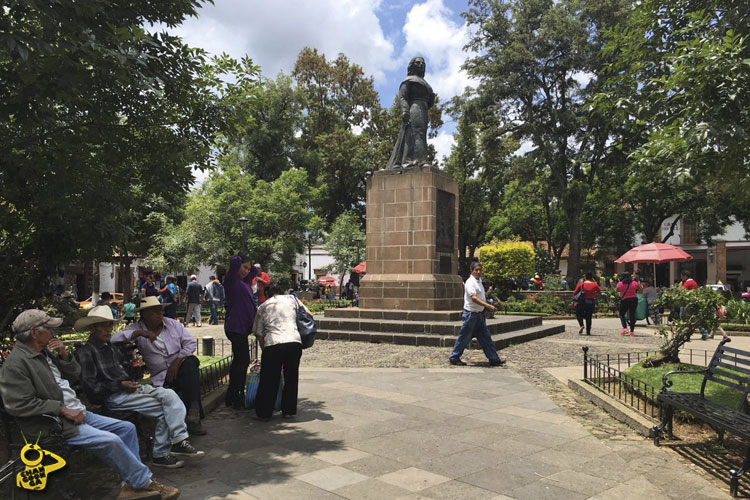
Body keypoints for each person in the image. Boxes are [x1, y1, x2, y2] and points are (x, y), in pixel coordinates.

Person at [0, 309, 179, 500]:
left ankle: (130, 486)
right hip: (54, 425)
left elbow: (73, 375)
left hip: (76, 412)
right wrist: (61, 409)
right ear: (35, 333)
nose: (54, 333)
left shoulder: (43, 353)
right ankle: (144, 483)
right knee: (111, 440)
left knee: (126, 428)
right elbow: (18, 404)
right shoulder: (15, 364)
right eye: (49, 329)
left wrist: (64, 355)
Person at [77, 306, 203, 468]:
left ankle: (174, 443)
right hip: (115, 396)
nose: (109, 329)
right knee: (167, 406)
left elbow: (128, 372)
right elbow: (91, 387)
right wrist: (120, 384)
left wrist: (133, 369)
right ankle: (165, 451)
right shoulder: (88, 351)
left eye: (110, 325)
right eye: (104, 325)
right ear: (94, 328)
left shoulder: (111, 348)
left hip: (131, 390)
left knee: (170, 397)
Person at [113, 296, 206, 435]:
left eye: (160, 310)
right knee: (189, 377)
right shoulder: (137, 328)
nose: (160, 314)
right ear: (144, 314)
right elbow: (113, 338)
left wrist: (176, 362)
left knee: (191, 364)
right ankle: (193, 416)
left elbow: (190, 343)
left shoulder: (172, 324)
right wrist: (140, 333)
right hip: (161, 376)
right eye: (155, 311)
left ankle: (193, 412)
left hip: (180, 367)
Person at [252, 284, 307, 421]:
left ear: (267, 294)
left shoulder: (263, 306)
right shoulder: (292, 299)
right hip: (294, 342)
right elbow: (308, 313)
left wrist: (265, 350)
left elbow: (259, 333)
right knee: (291, 378)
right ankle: (289, 411)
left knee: (269, 380)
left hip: (273, 343)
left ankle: (264, 413)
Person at [449, 262, 506, 367]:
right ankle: (454, 357)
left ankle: (494, 358)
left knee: (486, 338)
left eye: (480, 270)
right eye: (476, 270)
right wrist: (488, 306)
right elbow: (474, 298)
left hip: (479, 315)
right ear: (472, 271)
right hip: (471, 315)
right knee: (464, 337)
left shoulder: (478, 281)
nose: (479, 272)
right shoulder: (470, 282)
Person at [386, 56, 435, 169]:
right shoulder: (408, 80)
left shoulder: (425, 83)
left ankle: (412, 160)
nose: (421, 65)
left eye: (423, 63)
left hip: (423, 109)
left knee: (417, 135)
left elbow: (430, 102)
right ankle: (421, 161)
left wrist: (431, 97)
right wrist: (404, 110)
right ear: (412, 65)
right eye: (418, 63)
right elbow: (402, 97)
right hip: (415, 107)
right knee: (417, 134)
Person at [223, 255, 259, 409]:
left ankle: (232, 394)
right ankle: (237, 394)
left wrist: (250, 266)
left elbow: (255, 271)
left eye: (248, 268)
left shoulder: (243, 283)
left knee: (239, 361)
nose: (246, 271)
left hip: (242, 328)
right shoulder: (231, 281)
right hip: (235, 327)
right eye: (244, 267)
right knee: (242, 362)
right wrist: (240, 259)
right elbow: (235, 262)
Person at [617, 272, 642, 336]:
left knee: (621, 314)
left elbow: (618, 290)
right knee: (632, 315)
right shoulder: (634, 283)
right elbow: (640, 290)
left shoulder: (620, 284)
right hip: (634, 299)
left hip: (624, 300)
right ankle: (632, 331)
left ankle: (625, 328)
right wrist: (638, 281)